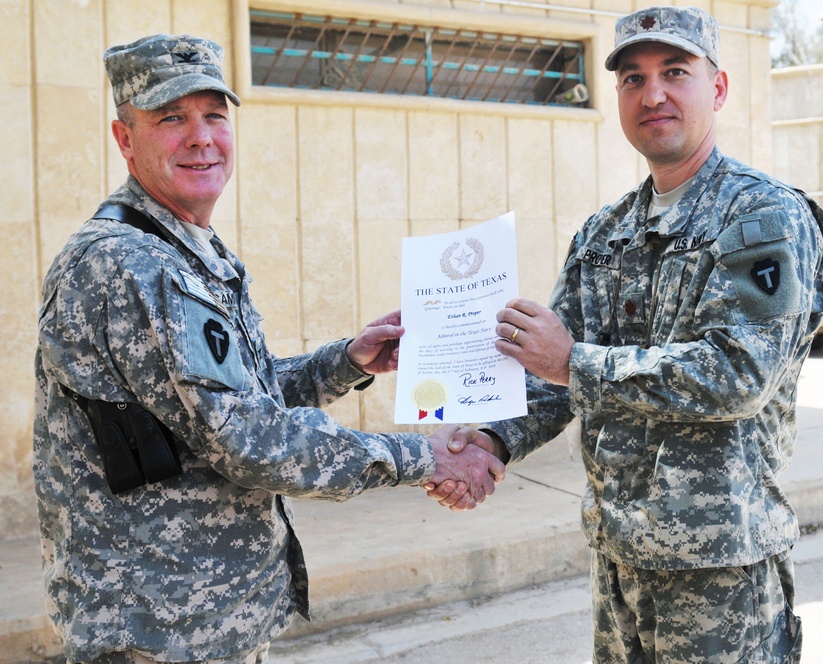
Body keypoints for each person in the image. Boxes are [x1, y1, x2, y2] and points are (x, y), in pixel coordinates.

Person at [33, 33, 504, 663]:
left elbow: (221, 404)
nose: (201, 137)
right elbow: (250, 441)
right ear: (125, 139)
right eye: (171, 118)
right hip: (157, 630)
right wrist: (426, 457)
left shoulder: (185, 250)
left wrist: (345, 362)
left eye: (215, 117)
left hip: (201, 618)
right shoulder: (132, 266)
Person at [428, 6, 823, 663]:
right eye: (633, 79)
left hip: (717, 574)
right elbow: (552, 376)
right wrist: (491, 443)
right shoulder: (604, 232)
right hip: (619, 562)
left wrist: (574, 363)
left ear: (719, 87)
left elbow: (737, 375)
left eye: (675, 72)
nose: (653, 94)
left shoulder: (763, 216)